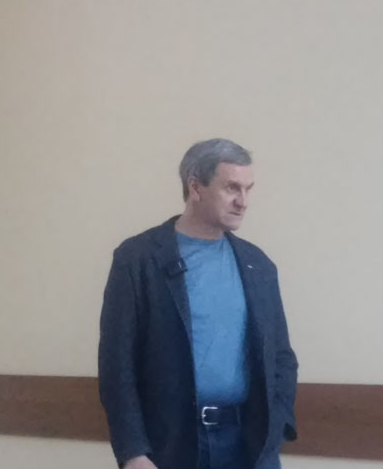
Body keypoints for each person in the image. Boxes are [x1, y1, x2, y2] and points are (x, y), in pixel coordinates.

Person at [99, 138, 298, 469]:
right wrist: (133, 452)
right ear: (195, 187)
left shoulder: (258, 265)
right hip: (171, 444)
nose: (243, 201)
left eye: (248, 189)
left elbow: (281, 358)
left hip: (247, 445)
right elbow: (117, 365)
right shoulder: (138, 260)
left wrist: (274, 431)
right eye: (231, 188)